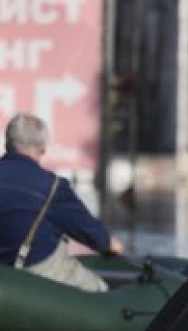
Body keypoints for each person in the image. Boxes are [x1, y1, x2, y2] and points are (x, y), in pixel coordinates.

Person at [0, 113, 124, 292]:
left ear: (7, 144)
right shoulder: (53, 187)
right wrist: (109, 244)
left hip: (5, 275)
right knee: (101, 290)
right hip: (38, 272)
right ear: (42, 148)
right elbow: (85, 228)